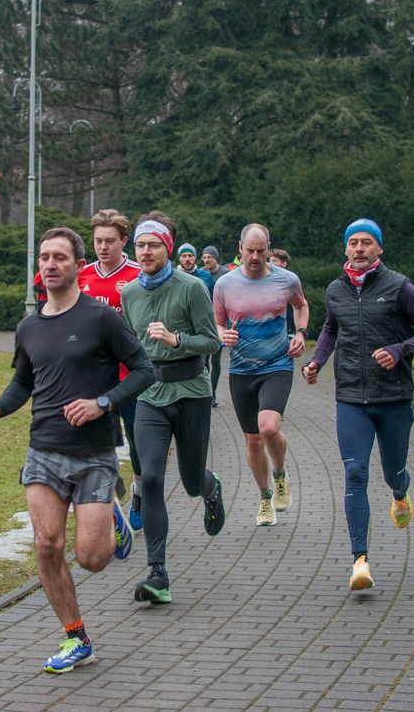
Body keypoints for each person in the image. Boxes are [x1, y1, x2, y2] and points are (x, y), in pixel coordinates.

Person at [0, 227, 154, 673]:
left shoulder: (100, 318)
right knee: (47, 545)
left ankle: (112, 514)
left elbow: (145, 370)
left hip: (93, 453)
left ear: (77, 265)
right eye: (44, 258)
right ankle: (77, 637)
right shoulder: (28, 326)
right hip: (44, 448)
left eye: (60, 258)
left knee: (91, 559)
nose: (50, 265)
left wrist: (102, 403)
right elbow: (23, 383)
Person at [302, 218, 414, 592]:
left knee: (393, 472)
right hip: (351, 397)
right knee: (355, 474)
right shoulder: (335, 290)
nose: (360, 249)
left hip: (394, 398)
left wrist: (401, 350)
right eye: (354, 243)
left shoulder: (400, 287)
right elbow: (331, 328)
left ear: (379, 249)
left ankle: (400, 493)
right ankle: (359, 562)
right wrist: (318, 360)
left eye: (367, 242)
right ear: (346, 250)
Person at [120, 213, 225, 604]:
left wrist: (177, 339)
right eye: (140, 245)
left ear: (168, 248)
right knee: (149, 480)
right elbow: (131, 347)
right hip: (150, 395)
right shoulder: (128, 294)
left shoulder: (193, 287)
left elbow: (212, 342)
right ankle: (158, 573)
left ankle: (211, 489)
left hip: (191, 392)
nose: (145, 251)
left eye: (153, 245)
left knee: (192, 480)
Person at [213, 223, 309, 526]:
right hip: (241, 370)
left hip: (277, 365)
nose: (255, 256)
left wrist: (302, 334)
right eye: (249, 250)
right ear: (240, 247)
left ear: (268, 247)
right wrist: (222, 335)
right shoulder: (225, 284)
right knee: (253, 442)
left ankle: (280, 473)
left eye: (260, 250)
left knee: (268, 428)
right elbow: (217, 323)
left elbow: (301, 306)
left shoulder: (286, 280)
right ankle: (265, 497)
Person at [76, 209, 143, 528]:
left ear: (124, 241)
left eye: (110, 241)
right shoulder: (82, 275)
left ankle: (140, 492)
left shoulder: (137, 275)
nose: (103, 247)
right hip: (94, 380)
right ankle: (111, 504)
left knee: (139, 444)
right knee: (101, 447)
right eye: (98, 241)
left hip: (131, 379)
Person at [201, 246, 227, 406]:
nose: (207, 260)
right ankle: (205, 393)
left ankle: (213, 394)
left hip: (219, 322)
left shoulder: (225, 274)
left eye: (210, 257)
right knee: (203, 360)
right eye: (204, 257)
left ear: (216, 258)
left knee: (215, 360)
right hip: (202, 323)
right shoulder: (201, 274)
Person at [269, 249, 296, 338]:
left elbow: (300, 306)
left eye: (274, 261)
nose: (270, 263)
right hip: (268, 330)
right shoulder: (264, 281)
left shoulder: (290, 281)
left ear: (284, 264)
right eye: (270, 261)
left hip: (286, 330)